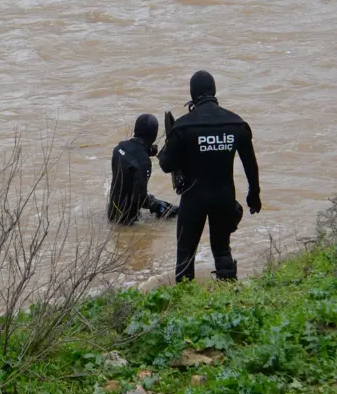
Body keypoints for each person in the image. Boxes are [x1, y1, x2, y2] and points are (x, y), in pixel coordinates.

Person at [157, 70, 261, 282]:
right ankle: (228, 289)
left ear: (192, 95)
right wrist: (254, 195)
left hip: (193, 198)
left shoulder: (183, 126)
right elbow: (250, 164)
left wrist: (169, 144)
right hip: (224, 196)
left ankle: (185, 297)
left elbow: (166, 165)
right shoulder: (236, 124)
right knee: (222, 250)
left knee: (185, 254)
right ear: (214, 91)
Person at [108, 114, 178, 225]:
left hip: (113, 211)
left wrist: (146, 151)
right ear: (153, 134)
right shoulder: (143, 161)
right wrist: (157, 205)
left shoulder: (119, 148)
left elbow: (130, 161)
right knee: (174, 215)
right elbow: (140, 198)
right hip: (127, 220)